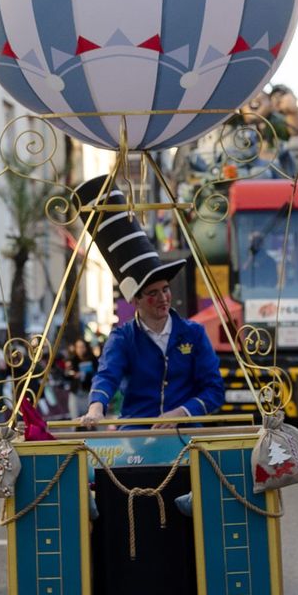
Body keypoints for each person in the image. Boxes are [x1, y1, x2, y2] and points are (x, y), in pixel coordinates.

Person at [75, 175, 224, 427]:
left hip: (187, 438)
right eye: (152, 293)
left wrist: (181, 413)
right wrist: (96, 409)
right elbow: (107, 376)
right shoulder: (122, 338)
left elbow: (214, 390)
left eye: (165, 289)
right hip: (136, 438)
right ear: (136, 300)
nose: (163, 298)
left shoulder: (194, 333)